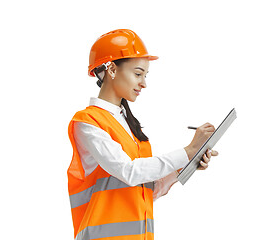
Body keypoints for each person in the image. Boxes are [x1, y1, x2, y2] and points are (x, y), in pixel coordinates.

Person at [67, 29, 219, 240]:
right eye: (138, 73)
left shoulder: (128, 127)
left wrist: (186, 164)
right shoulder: (88, 122)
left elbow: (146, 189)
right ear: (111, 69)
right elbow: (129, 172)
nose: (144, 83)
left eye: (145, 75)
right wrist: (187, 150)